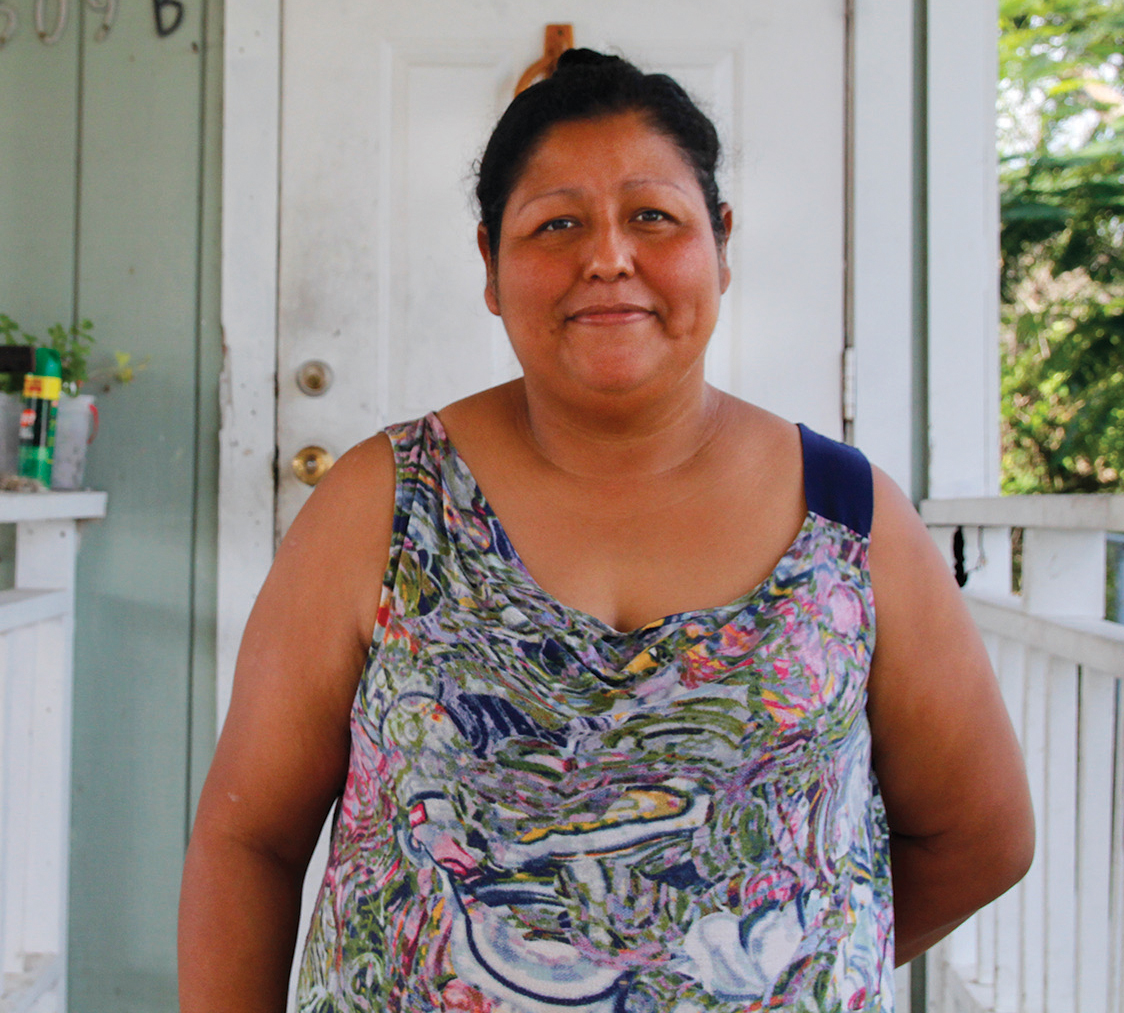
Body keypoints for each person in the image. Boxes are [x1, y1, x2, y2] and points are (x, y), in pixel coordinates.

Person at [179, 50, 1033, 1012]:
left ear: (721, 242)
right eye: (557, 224)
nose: (608, 257)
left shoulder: (845, 517)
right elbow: (248, 842)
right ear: (492, 269)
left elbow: (981, 836)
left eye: (653, 217)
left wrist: (786, 961)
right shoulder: (387, 503)